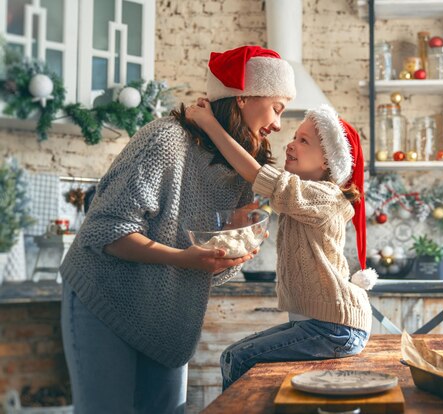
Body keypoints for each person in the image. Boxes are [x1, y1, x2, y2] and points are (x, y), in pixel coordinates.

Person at [59, 46, 296, 413]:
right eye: (278, 108)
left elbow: (206, 263)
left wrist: (230, 236)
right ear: (243, 98)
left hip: (165, 317)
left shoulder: (242, 167)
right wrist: (184, 259)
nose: (278, 125)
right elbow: (107, 231)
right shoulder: (167, 140)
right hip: (105, 297)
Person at [186, 102, 378, 390]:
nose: (290, 144)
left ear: (328, 161)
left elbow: (257, 175)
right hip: (319, 325)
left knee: (238, 358)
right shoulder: (303, 196)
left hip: (335, 328)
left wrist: (209, 124)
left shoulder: (325, 196)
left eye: (304, 141)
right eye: (294, 137)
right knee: (231, 356)